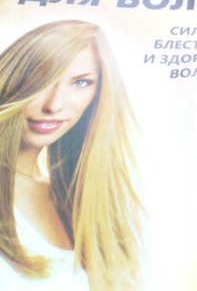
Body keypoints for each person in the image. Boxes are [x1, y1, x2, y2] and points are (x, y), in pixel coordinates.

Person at [0, 19, 143, 290]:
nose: (54, 105)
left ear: (97, 94)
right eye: (40, 77)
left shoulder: (88, 207)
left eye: (80, 82)